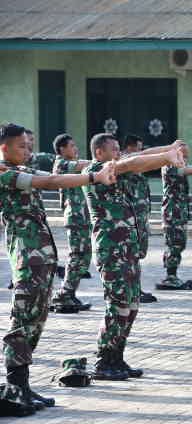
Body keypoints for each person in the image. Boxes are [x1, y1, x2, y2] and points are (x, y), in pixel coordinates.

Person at [0, 123, 116, 417]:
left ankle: (22, 386)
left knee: (36, 318)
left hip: (40, 257)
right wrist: (93, 176)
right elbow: (50, 184)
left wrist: (94, 174)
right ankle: (14, 386)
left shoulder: (23, 170)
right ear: (4, 148)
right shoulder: (5, 173)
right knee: (23, 317)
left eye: (28, 146)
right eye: (21, 147)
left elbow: (54, 177)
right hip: (27, 256)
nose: (27, 151)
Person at [83, 133, 185, 381]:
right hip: (112, 251)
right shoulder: (97, 170)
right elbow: (131, 162)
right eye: (114, 149)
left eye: (120, 149)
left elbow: (138, 157)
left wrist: (169, 147)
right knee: (117, 305)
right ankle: (104, 359)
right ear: (99, 152)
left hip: (127, 250)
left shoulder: (118, 168)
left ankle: (116, 356)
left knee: (131, 305)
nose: (119, 154)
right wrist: (166, 157)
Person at [50, 134, 93, 312]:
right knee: (77, 256)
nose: (76, 149)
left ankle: (69, 293)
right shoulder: (61, 164)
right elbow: (84, 164)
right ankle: (63, 295)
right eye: (72, 146)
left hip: (82, 217)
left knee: (83, 257)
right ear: (62, 149)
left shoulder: (71, 164)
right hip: (75, 218)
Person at [158, 144, 192, 290]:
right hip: (173, 212)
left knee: (179, 242)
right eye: (182, 155)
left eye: (186, 156)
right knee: (174, 243)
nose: (185, 159)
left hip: (179, 211)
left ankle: (172, 275)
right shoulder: (170, 166)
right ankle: (170, 277)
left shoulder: (176, 165)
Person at [120, 134, 157, 304]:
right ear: (129, 148)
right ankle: (131, 290)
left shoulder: (137, 168)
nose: (141, 152)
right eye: (138, 148)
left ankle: (135, 289)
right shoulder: (123, 164)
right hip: (130, 219)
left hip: (140, 218)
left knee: (137, 255)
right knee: (131, 256)